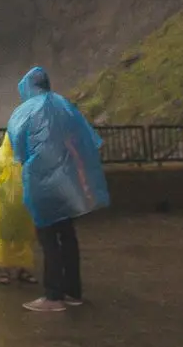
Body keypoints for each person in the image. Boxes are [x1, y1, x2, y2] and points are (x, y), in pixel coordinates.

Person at [6, 66, 109, 313]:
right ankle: (73, 292)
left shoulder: (25, 111)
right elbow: (83, 139)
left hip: (42, 182)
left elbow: (18, 149)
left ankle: (53, 296)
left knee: (48, 237)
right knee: (67, 234)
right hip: (67, 180)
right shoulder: (64, 105)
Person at [0, 135, 37, 286]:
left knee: (22, 239)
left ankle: (21, 269)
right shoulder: (0, 157)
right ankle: (5, 270)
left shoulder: (26, 156)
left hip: (23, 207)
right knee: (3, 240)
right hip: (4, 206)